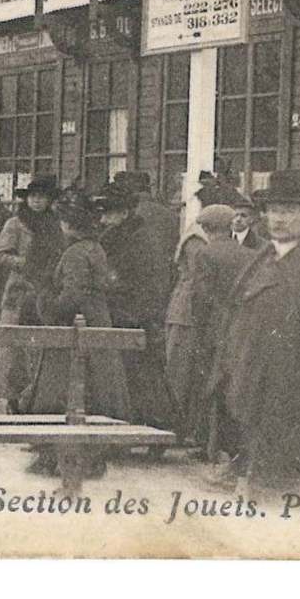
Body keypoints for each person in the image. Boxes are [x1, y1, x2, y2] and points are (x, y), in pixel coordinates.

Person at [208, 169, 300, 490]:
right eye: (275, 210)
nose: (280, 219)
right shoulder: (262, 260)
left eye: (292, 210)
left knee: (292, 503)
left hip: (294, 408)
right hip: (252, 398)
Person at [22, 194, 129, 475]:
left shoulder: (74, 254)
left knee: (60, 391)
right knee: (95, 389)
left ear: (69, 225)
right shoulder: (95, 248)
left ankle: (57, 458)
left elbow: (72, 296)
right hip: (97, 322)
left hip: (74, 329)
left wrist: (46, 304)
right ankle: (88, 458)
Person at [164, 204, 254, 452]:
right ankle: (213, 441)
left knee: (187, 377)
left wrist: (202, 325)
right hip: (232, 324)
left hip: (199, 323)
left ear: (206, 227)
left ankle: (184, 434)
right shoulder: (246, 254)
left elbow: (200, 295)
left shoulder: (203, 252)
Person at [99, 181, 178, 433]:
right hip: (123, 312)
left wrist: (111, 284)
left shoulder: (140, 241)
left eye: (109, 213)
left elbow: (144, 282)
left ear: (123, 213)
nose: (104, 219)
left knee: (141, 376)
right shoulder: (117, 235)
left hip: (136, 316)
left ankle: (157, 427)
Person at [0, 174, 64, 405]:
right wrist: (25, 263)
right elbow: (0, 256)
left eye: (42, 197)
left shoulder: (55, 224)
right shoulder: (16, 223)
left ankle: (35, 396)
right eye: (33, 197)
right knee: (13, 350)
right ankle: (12, 397)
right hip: (19, 292)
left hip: (45, 292)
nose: (37, 201)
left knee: (38, 348)